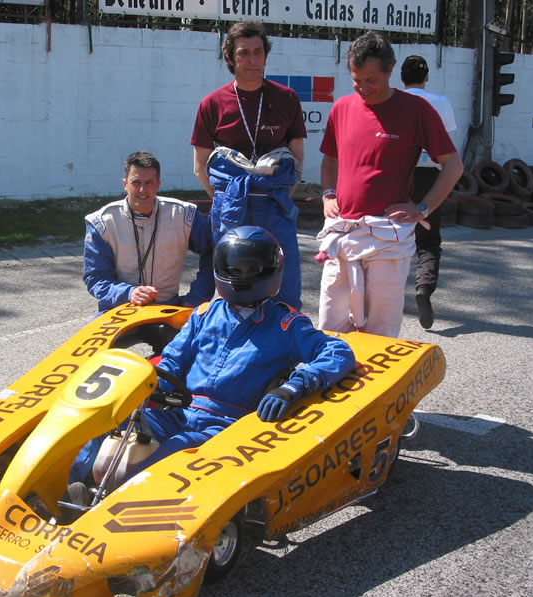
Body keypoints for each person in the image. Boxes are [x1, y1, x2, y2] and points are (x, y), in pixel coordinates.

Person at [69, 226, 355, 488]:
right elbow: (172, 361)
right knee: (104, 427)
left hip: (225, 425)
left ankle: (108, 508)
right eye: (235, 269)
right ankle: (66, 489)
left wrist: (294, 386)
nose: (241, 276)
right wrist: (149, 389)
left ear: (269, 270)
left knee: (162, 460)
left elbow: (338, 351)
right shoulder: (205, 315)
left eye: (249, 269)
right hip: (178, 410)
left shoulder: (286, 324)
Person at [317, 32, 463, 338]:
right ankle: (331, 383)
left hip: (388, 240)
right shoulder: (342, 108)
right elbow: (330, 160)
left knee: (380, 334)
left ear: (389, 71)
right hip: (343, 235)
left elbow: (453, 165)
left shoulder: (416, 111)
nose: (363, 88)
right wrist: (328, 194)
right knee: (329, 332)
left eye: (371, 80)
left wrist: (422, 208)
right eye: (356, 79)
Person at [191, 20, 307, 309]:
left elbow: (297, 158)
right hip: (231, 209)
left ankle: (283, 347)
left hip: (275, 206)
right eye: (244, 53)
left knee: (285, 286)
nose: (252, 60)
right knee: (233, 286)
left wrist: (281, 194)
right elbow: (200, 166)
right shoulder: (212, 103)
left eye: (257, 51)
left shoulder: (287, 98)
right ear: (230, 57)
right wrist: (225, 200)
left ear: (266, 55)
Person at [83, 151, 214, 313]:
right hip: (118, 310)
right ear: (125, 184)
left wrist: (196, 298)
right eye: (136, 182)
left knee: (210, 336)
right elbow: (96, 278)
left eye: (149, 182)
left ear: (158, 184)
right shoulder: (102, 223)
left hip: (169, 306)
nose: (142, 190)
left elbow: (213, 255)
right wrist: (129, 293)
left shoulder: (184, 215)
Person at [400, 55, 458, 329]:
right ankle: (423, 287)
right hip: (429, 177)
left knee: (389, 236)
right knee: (428, 240)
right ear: (426, 78)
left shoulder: (394, 101)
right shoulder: (441, 103)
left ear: (400, 77)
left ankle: (380, 297)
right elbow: (447, 147)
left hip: (399, 176)